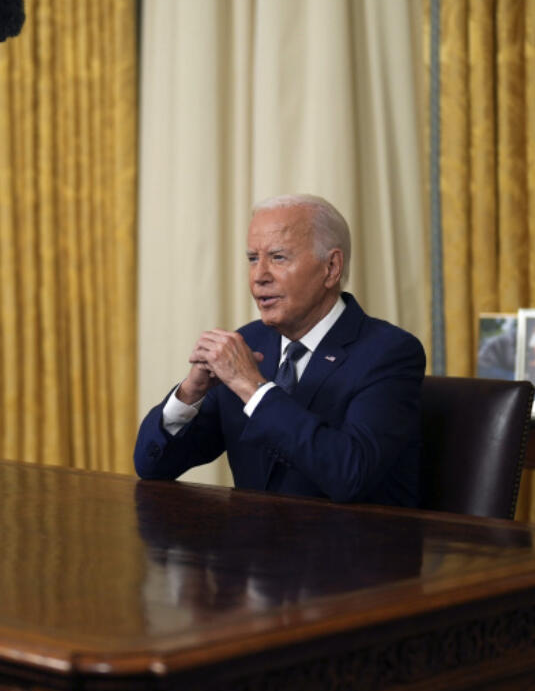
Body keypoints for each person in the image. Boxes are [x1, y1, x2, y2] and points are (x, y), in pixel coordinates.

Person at [133, 194, 425, 507]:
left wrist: (253, 388)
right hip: (253, 550)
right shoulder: (249, 343)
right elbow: (153, 466)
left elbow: (350, 474)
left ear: (331, 267)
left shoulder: (389, 353)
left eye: (278, 257)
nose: (259, 276)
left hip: (349, 549)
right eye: (252, 259)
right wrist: (190, 394)